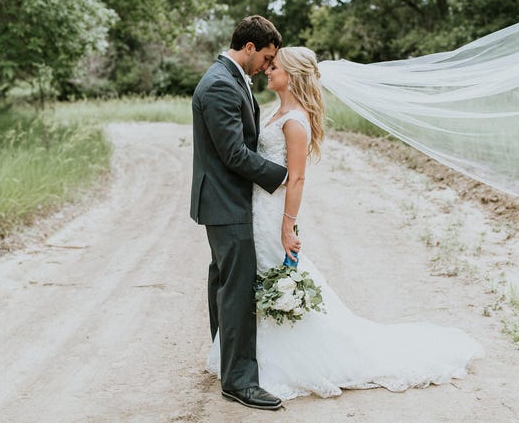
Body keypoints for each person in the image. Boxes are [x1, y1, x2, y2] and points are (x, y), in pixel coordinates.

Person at [207, 46, 485, 400]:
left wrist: (288, 226)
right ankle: (253, 358)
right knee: (259, 278)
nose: (268, 71)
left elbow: (297, 179)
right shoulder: (279, 111)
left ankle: (286, 362)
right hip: (256, 209)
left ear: (291, 75)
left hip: (274, 214)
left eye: (274, 66)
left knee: (274, 274)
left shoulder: (295, 122)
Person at [190, 15, 297, 410]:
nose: (268, 66)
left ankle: (225, 361)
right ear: (249, 47)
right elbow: (234, 153)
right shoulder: (220, 84)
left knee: (223, 281)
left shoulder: (229, 78)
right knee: (236, 290)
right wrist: (282, 175)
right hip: (225, 200)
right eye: (266, 57)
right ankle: (240, 382)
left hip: (227, 201)